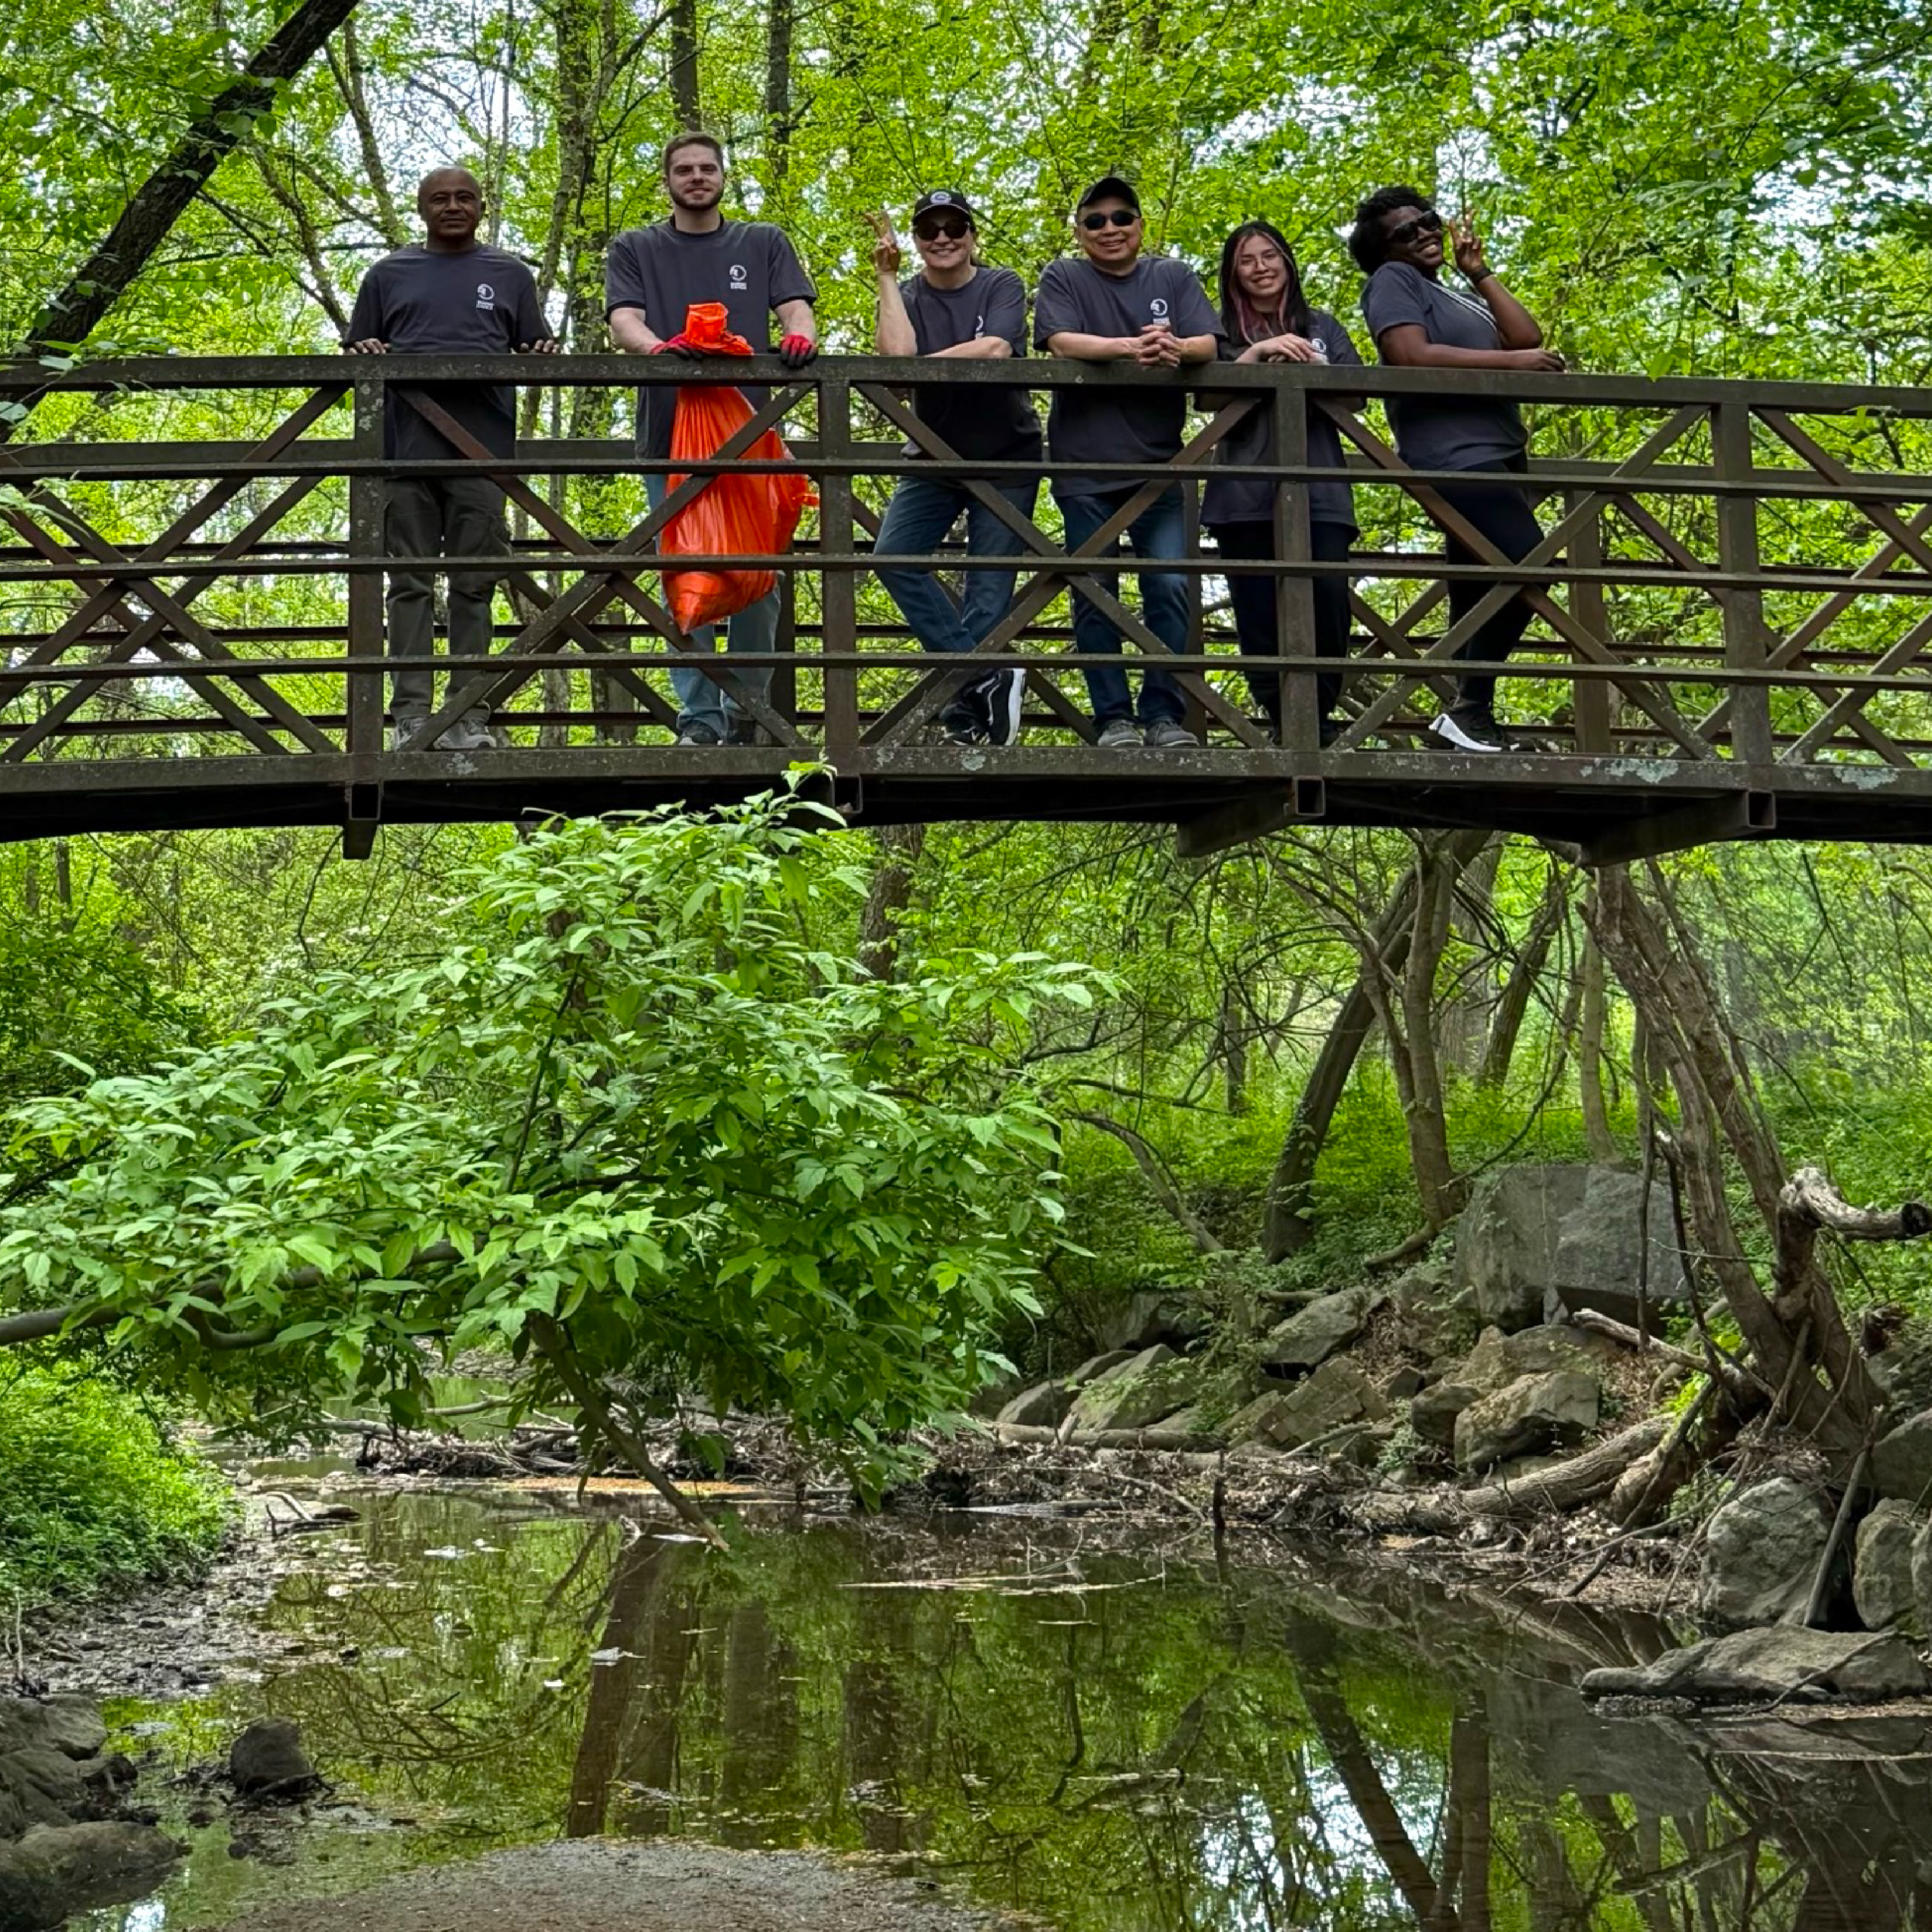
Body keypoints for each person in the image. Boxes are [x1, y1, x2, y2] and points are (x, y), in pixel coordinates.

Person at [606, 131, 817, 746]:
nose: (696, 177)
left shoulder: (761, 241)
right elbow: (625, 320)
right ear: (667, 179)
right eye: (684, 170)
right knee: (687, 578)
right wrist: (658, 349)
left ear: (723, 176)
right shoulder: (636, 246)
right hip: (669, 436)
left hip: (751, 437)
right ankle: (701, 720)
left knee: (758, 582)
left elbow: (795, 306)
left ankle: (751, 714)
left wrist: (800, 337)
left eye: (707, 168)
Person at [344, 165, 556, 752]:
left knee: (475, 584)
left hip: (482, 453)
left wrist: (540, 351)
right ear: (422, 209)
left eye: (465, 197)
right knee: (407, 584)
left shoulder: (510, 274)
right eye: (441, 199)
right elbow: (360, 352)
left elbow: (535, 347)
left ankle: (467, 715)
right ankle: (410, 718)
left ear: (482, 207)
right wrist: (367, 350)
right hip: (402, 452)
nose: (454, 206)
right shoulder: (388, 275)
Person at [1349, 185, 1564, 752]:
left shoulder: (1452, 295)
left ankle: (1469, 720)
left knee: (1480, 585)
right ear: (1383, 250)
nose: (1423, 233)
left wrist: (1480, 271)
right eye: (1406, 231)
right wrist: (1512, 364)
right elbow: (1409, 356)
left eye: (1429, 221)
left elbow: (1527, 336)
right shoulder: (1392, 283)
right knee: (1527, 564)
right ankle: (1470, 706)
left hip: (1496, 454)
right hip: (1453, 456)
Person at [1034, 175, 1223, 750]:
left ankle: (1164, 715)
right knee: (1095, 590)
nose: (1110, 229)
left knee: (1168, 585)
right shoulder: (1063, 276)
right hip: (1083, 466)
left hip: (1161, 467)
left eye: (1121, 218)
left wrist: (1178, 349)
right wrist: (1133, 348)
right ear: (1079, 231)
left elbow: (1208, 344)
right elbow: (1061, 340)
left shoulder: (1172, 276)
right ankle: (1112, 717)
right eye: (1095, 221)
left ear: (1140, 225)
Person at [870, 191, 1041, 746]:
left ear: (971, 234)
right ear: (917, 242)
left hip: (1005, 457)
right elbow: (893, 359)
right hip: (932, 455)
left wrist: (916, 370)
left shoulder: (1000, 284)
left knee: (987, 596)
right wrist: (888, 280)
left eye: (954, 227)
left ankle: (967, 717)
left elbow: (995, 349)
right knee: (893, 557)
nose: (943, 237)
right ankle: (985, 677)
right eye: (929, 230)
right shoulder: (910, 293)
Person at [1203, 220, 1361, 746]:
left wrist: (1312, 364)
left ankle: (1318, 716)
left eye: (1269, 255)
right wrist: (1253, 359)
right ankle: (1280, 717)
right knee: (1256, 611)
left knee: (1330, 601)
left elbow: (1359, 394)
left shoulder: (1325, 326)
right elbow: (1203, 399)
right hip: (1243, 495)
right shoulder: (1218, 333)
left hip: (1321, 492)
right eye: (1247, 260)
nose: (1260, 268)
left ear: (1287, 262)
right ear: (1233, 274)